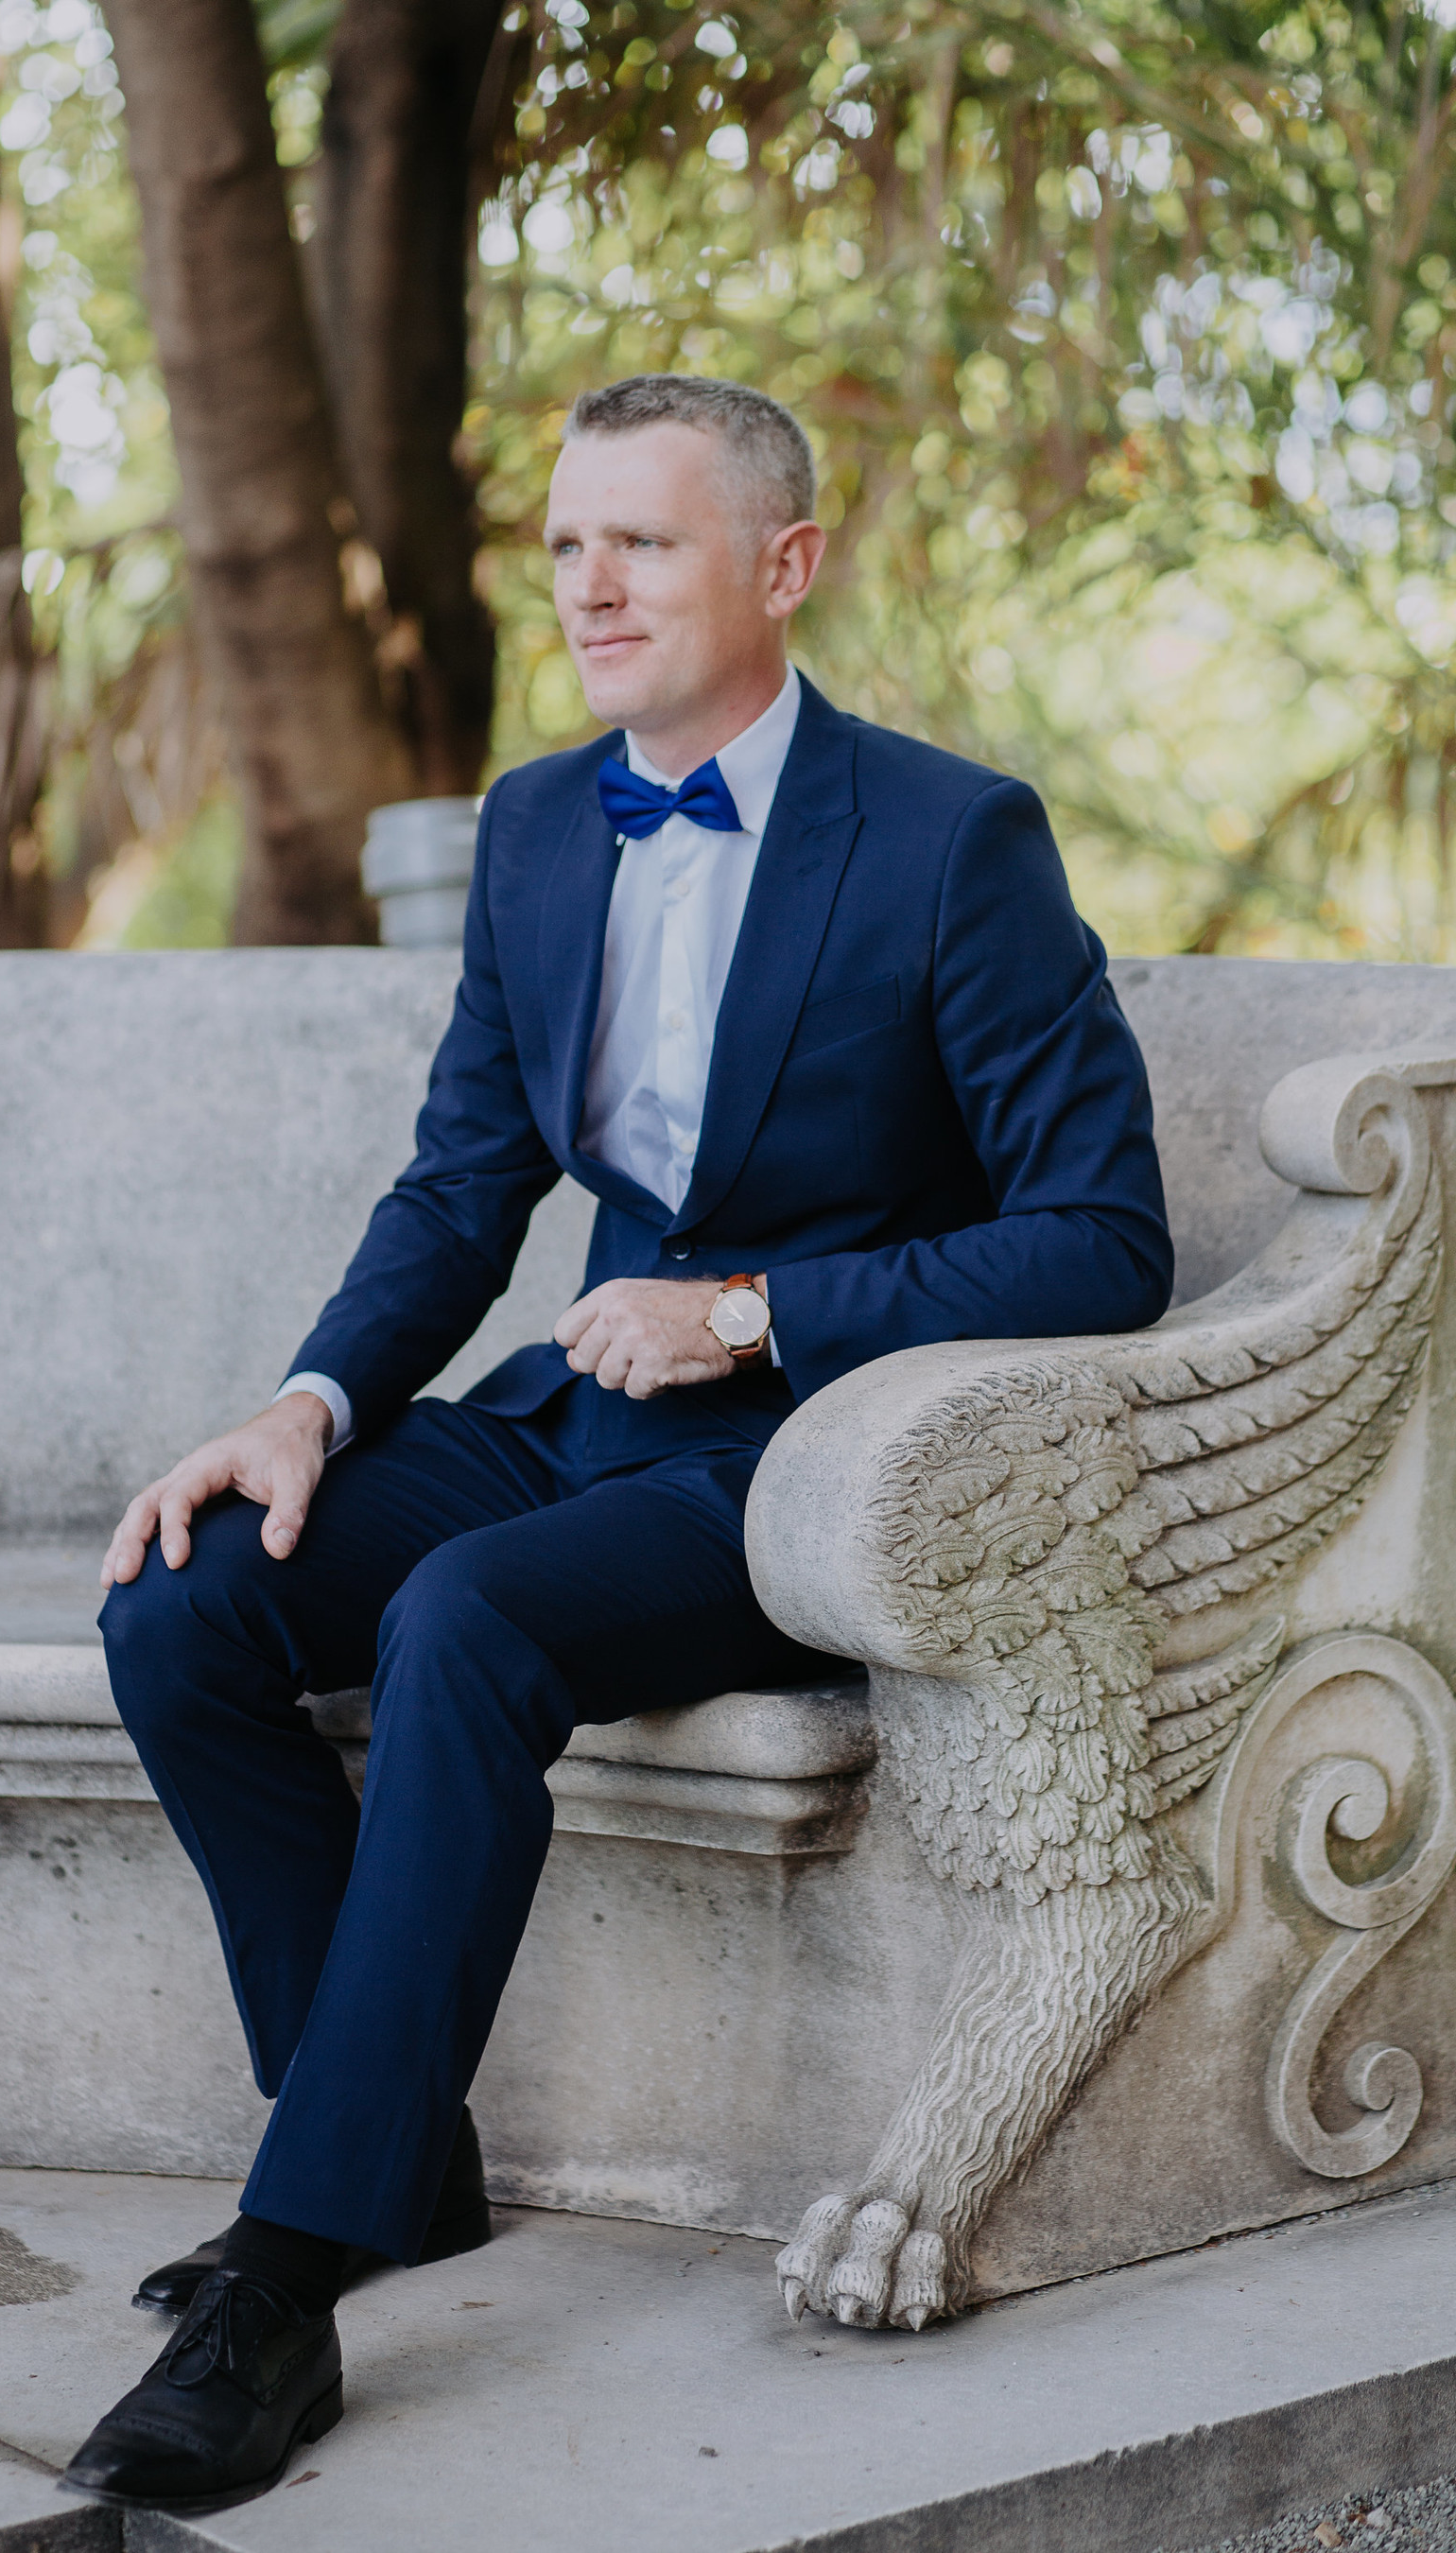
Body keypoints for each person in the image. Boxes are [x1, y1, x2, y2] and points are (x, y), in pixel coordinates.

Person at [64, 373, 1173, 2516]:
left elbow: (1103, 1234)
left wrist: (756, 1306)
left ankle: (285, 2284)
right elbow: (466, 1187)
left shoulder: (954, 839)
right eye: (568, 541)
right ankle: (395, 2157)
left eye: (643, 542)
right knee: (185, 1600)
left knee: (471, 1622)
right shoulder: (544, 825)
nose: (589, 581)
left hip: (808, 1468)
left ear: (783, 565)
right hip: (564, 1421)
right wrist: (298, 1412)